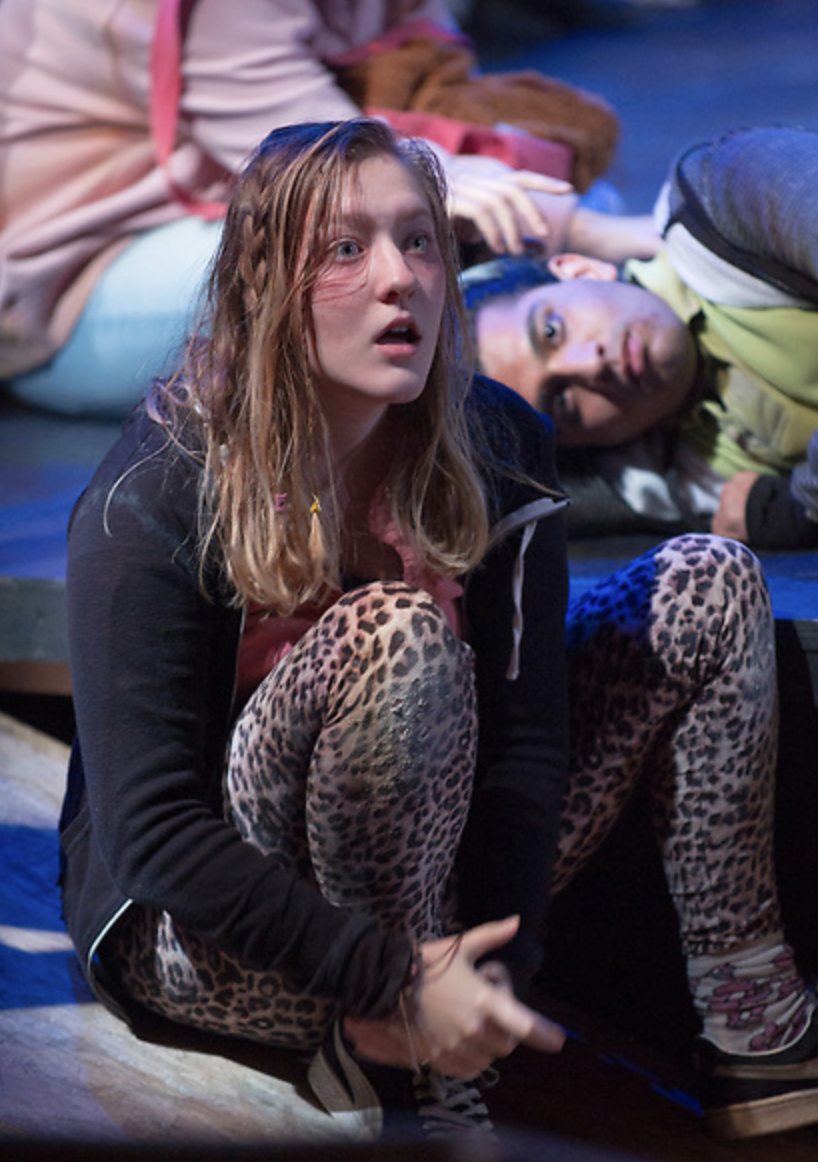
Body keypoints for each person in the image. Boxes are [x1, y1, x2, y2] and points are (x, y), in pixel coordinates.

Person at [60, 118, 818, 1146]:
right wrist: (391, 980)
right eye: (345, 248)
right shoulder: (161, 485)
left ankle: (750, 1029)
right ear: (263, 286)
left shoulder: (496, 438)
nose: (400, 278)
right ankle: (399, 1054)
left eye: (417, 240)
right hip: (223, 939)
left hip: (432, 898)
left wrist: (495, 965)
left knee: (707, 580)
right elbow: (150, 833)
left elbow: (525, 750)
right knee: (396, 631)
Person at [0, 0, 613, 420]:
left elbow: (424, 91)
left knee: (536, 215)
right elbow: (329, 175)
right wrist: (583, 229)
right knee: (350, 262)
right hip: (72, 284)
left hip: (213, 206)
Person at [463, 126, 818, 551]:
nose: (589, 364)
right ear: (594, 443)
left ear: (581, 270)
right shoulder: (695, 483)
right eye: (563, 402)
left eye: (552, 331)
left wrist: (803, 507)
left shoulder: (719, 192)